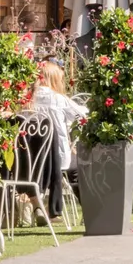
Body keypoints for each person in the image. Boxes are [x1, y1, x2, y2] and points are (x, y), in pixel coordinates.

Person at [31, 60, 87, 218]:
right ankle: (88, 209)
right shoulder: (58, 99)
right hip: (58, 157)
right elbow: (81, 115)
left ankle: (37, 206)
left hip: (32, 160)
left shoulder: (28, 99)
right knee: (76, 170)